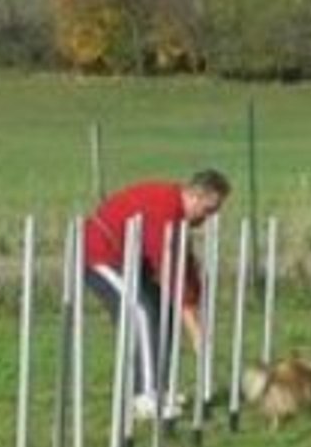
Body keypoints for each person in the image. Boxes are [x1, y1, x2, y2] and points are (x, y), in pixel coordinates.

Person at [83, 169, 231, 419]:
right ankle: (143, 396)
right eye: (208, 210)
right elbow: (170, 270)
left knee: (165, 311)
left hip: (131, 261)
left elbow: (184, 264)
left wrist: (196, 300)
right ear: (195, 196)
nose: (208, 218)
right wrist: (195, 329)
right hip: (99, 255)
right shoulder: (164, 209)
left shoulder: (178, 215)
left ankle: (159, 388)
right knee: (141, 312)